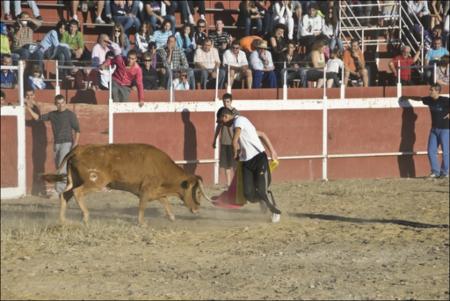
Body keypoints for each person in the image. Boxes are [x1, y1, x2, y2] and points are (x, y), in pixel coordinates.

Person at [219, 107, 281, 223]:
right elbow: (262, 134)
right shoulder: (239, 126)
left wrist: (235, 153)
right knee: (248, 194)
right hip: (247, 163)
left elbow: (234, 140)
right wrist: (272, 150)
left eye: (221, 121)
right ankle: (264, 198)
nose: (222, 124)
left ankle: (274, 210)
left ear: (225, 117)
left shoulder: (239, 121)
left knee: (262, 190)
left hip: (259, 159)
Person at [25, 93, 80, 196]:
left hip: (66, 143)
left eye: (62, 103)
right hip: (57, 144)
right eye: (58, 103)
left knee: (61, 167)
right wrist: (28, 108)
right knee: (59, 166)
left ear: (65, 103)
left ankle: (59, 191)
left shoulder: (70, 114)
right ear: (55, 104)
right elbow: (38, 118)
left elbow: (77, 129)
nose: (61, 105)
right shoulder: (52, 114)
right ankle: (67, 189)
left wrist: (75, 144)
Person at [400, 83, 449, 178]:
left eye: (432, 90)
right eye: (430, 90)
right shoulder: (429, 100)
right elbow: (419, 98)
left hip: (445, 129)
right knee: (431, 150)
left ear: (437, 91)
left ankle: (445, 172)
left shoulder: (445, 100)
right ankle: (435, 171)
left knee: (446, 151)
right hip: (434, 129)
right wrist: (407, 97)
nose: (429, 91)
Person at [212, 93, 240, 188]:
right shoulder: (222, 112)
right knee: (226, 165)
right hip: (224, 142)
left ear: (231, 101)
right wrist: (215, 139)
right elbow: (218, 127)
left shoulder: (235, 113)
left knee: (235, 165)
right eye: (224, 101)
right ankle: (229, 184)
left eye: (227, 101)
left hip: (233, 142)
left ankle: (237, 183)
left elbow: (238, 128)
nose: (226, 103)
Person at [106, 40, 144, 106]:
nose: (130, 60)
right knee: (114, 92)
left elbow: (139, 84)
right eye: (129, 58)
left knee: (124, 102)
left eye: (132, 59)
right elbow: (111, 61)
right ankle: (114, 108)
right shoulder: (120, 59)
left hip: (126, 86)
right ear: (127, 57)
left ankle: (116, 111)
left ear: (136, 59)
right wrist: (104, 64)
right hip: (115, 80)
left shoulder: (138, 69)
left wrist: (141, 99)